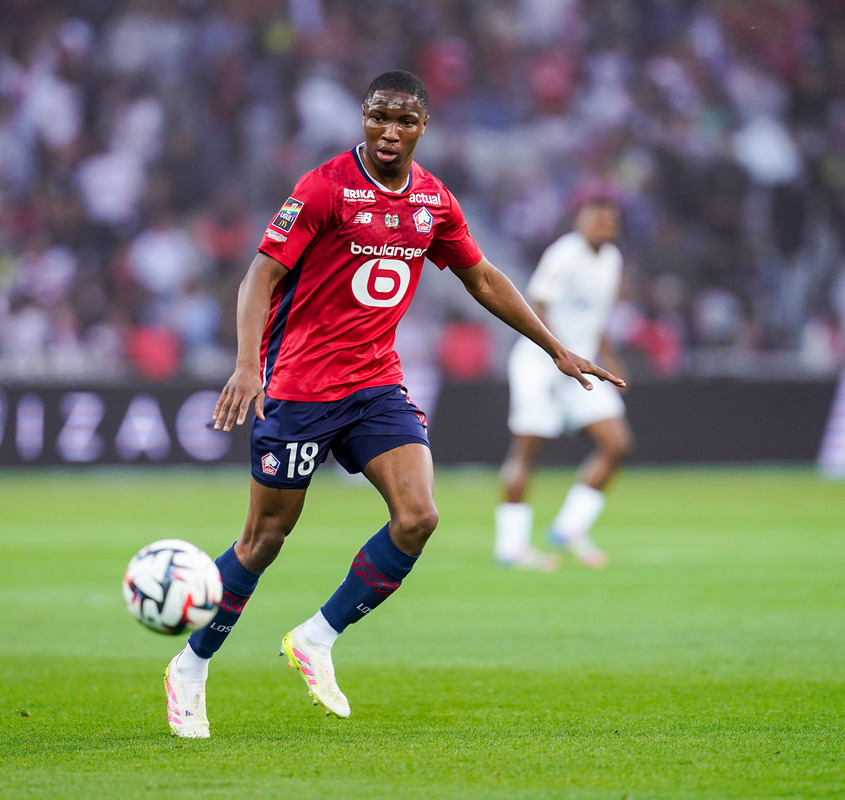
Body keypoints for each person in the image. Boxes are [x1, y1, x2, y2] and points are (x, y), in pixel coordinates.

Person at [163, 70, 624, 738]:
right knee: (264, 540)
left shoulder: (433, 201)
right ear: (363, 117)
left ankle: (316, 638)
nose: (389, 131)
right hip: (298, 386)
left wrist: (554, 347)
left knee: (418, 517)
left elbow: (482, 277)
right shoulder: (323, 187)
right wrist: (245, 365)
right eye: (379, 116)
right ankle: (191, 665)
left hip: (375, 384)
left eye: (405, 121)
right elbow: (262, 273)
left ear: (423, 127)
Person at [494, 190, 633, 571]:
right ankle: (511, 546)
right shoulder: (564, 254)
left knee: (616, 444)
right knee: (527, 451)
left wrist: (609, 359)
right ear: (580, 221)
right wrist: (560, 352)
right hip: (541, 363)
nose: (602, 226)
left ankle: (570, 528)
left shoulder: (612, 259)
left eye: (609, 220)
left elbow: (596, 317)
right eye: (595, 218)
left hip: (583, 365)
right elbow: (537, 306)